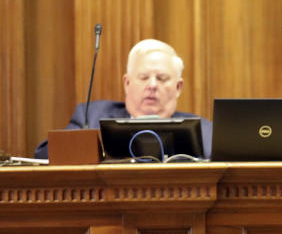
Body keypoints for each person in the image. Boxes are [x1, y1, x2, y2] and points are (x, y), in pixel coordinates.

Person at [35, 39, 213, 159]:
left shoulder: (205, 132)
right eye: (143, 77)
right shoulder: (92, 117)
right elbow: (45, 155)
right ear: (127, 83)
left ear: (178, 87)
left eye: (162, 78)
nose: (152, 85)